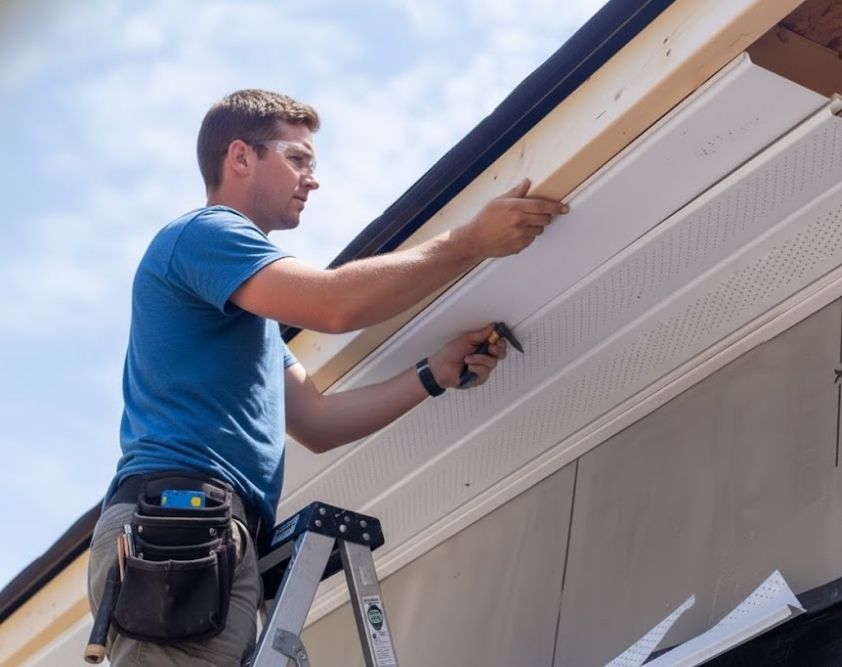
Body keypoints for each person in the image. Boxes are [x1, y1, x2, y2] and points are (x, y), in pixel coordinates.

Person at [86, 89, 568, 666]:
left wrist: (432, 375)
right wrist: (468, 243)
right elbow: (335, 305)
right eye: (298, 159)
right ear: (240, 157)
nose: (312, 179)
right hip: (180, 526)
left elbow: (318, 421)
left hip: (212, 532)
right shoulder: (206, 234)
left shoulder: (250, 318)